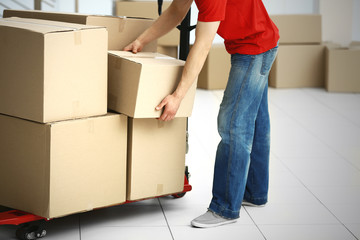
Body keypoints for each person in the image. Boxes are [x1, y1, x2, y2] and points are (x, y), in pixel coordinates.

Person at [125, 0, 279, 228]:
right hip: (256, 42)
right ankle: (254, 193)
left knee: (234, 123)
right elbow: (176, 11)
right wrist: (141, 40)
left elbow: (203, 44)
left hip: (254, 48)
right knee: (255, 120)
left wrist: (178, 96)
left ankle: (225, 208)